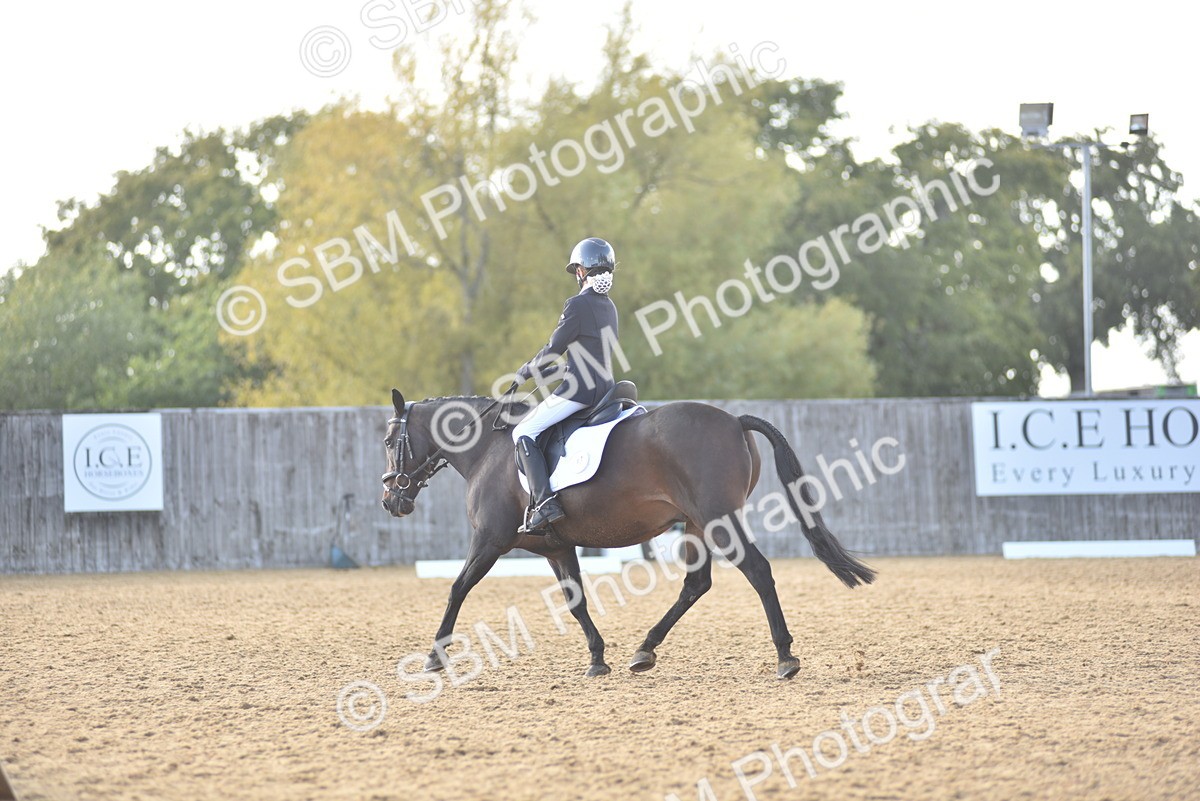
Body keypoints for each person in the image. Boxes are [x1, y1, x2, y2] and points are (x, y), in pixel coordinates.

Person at [512, 237, 619, 533]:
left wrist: (526, 372)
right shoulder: (609, 306)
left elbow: (553, 347)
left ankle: (545, 502)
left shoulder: (577, 304)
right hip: (606, 389)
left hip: (579, 392)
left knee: (523, 431)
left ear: (582, 272)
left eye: (577, 270)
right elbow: (592, 350)